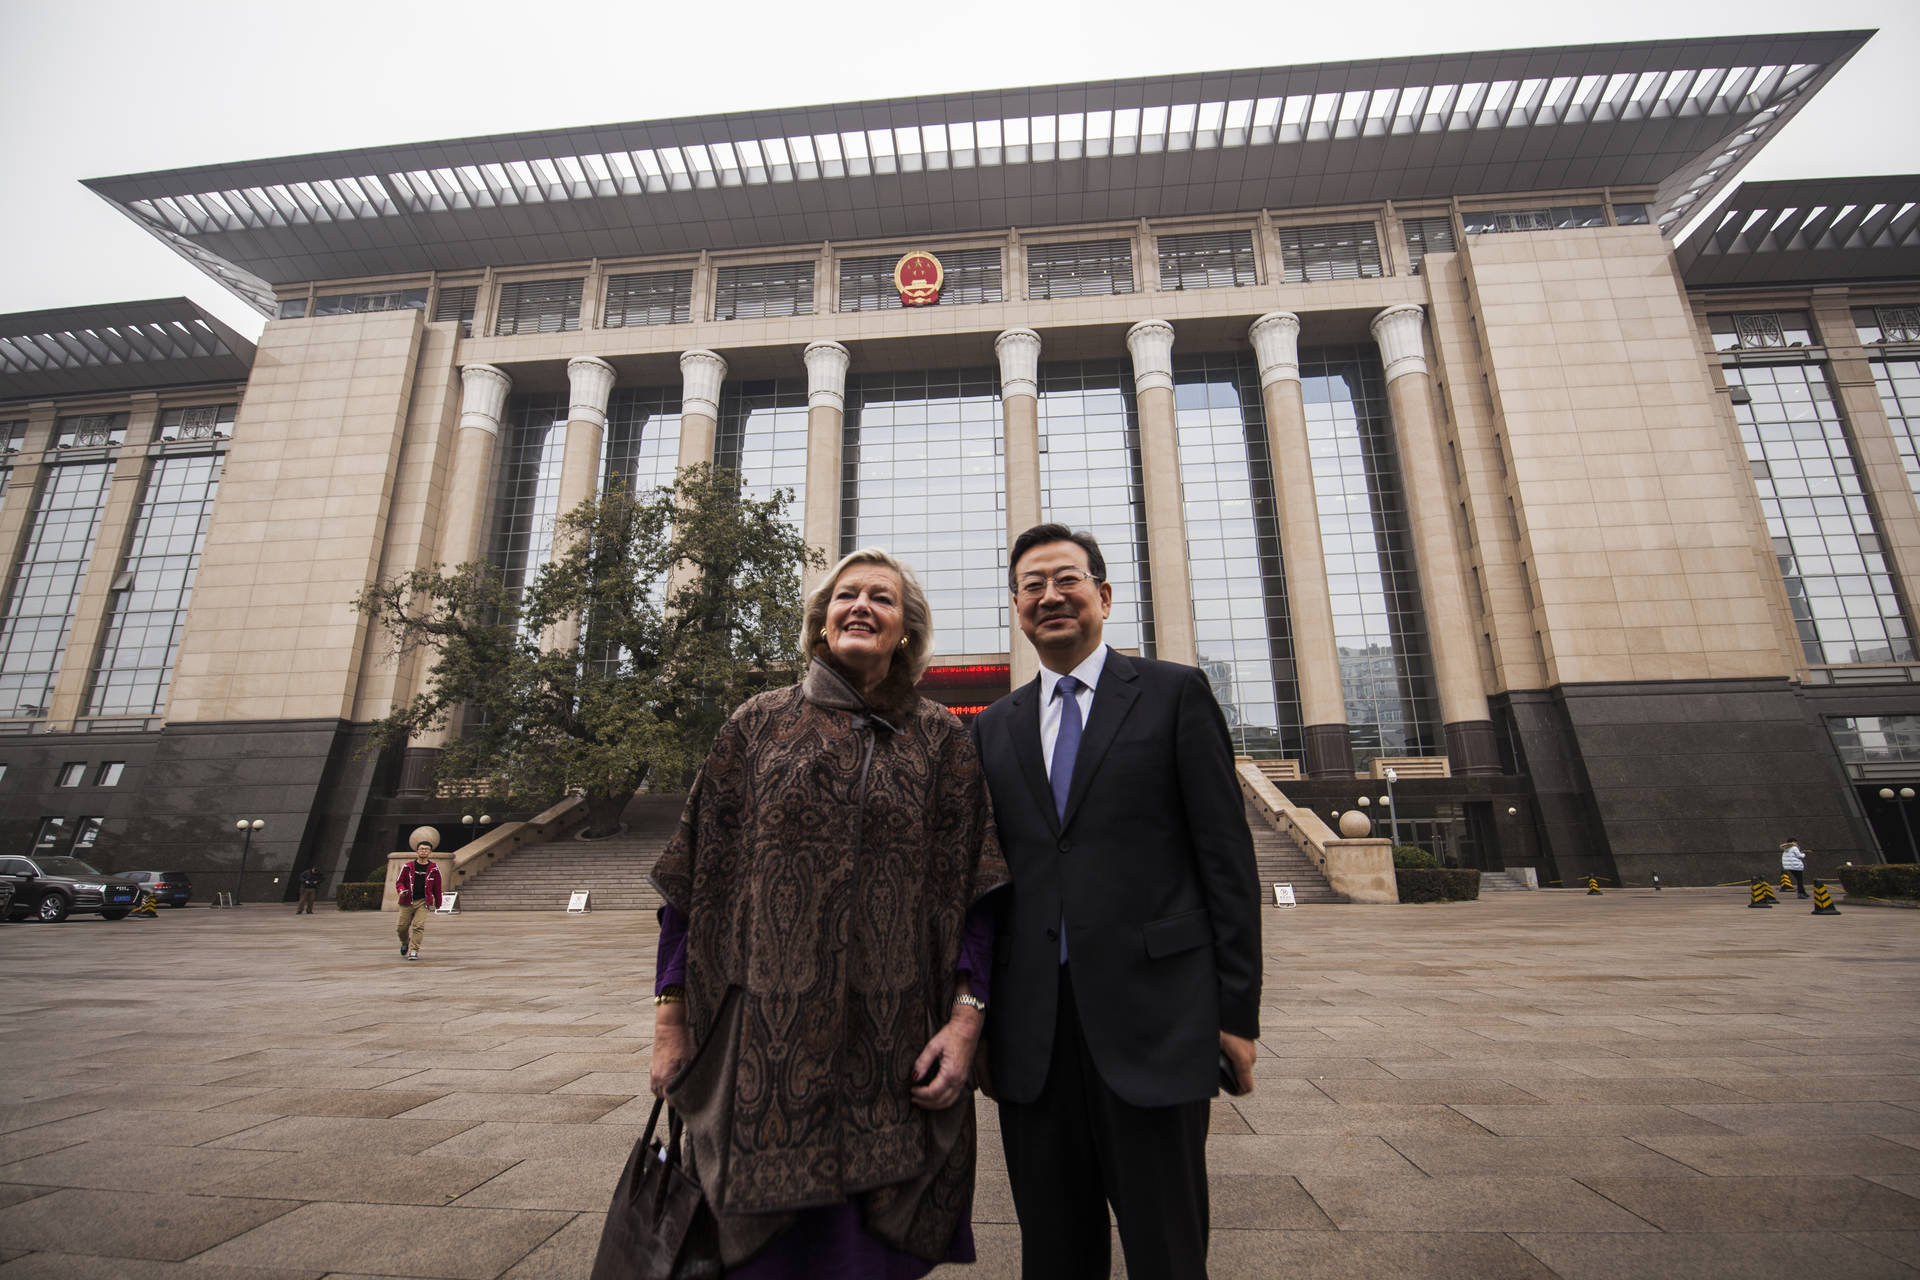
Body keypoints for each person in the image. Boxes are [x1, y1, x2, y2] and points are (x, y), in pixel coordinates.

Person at [648, 548, 1008, 1277]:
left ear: (906, 628)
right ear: (821, 621)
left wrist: (967, 1021)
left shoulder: (943, 740)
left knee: (867, 1256)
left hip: (894, 1042)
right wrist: (669, 1021)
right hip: (763, 1048)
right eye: (847, 595)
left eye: (882, 597)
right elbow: (694, 882)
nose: (862, 607)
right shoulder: (756, 725)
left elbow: (981, 891)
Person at [971, 523, 1262, 1280]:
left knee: (1167, 1248)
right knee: (1054, 1251)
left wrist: (1236, 1015)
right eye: (1032, 586)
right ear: (1017, 608)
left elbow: (1225, 863)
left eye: (1066, 579)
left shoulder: (1173, 694)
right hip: (1033, 1036)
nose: (1050, 596)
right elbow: (986, 882)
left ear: (1103, 595)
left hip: (1155, 1021)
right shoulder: (994, 729)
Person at [393, 829, 442, 959]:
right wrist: (401, 890)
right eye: (421, 849)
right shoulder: (408, 866)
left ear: (430, 852)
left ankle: (414, 950)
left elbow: (437, 887)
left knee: (418, 926)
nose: (424, 851)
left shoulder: (434, 869)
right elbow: (399, 882)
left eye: (426, 849)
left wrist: (439, 902)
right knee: (401, 927)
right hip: (407, 900)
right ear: (417, 851)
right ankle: (405, 942)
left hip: (423, 901)